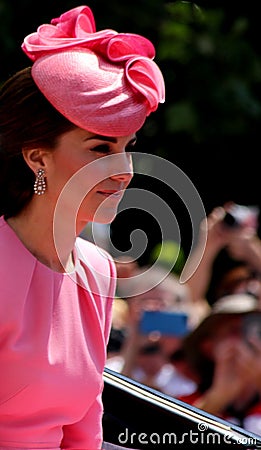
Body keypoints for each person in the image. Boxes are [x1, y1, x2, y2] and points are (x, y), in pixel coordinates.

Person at [0, 4, 165, 449]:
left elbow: (85, 427)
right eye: (99, 147)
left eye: (128, 146)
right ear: (38, 157)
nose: (125, 170)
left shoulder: (97, 269)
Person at [176, 293, 261, 434]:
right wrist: (217, 399)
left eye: (257, 331)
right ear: (208, 346)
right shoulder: (183, 404)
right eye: (234, 331)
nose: (250, 340)